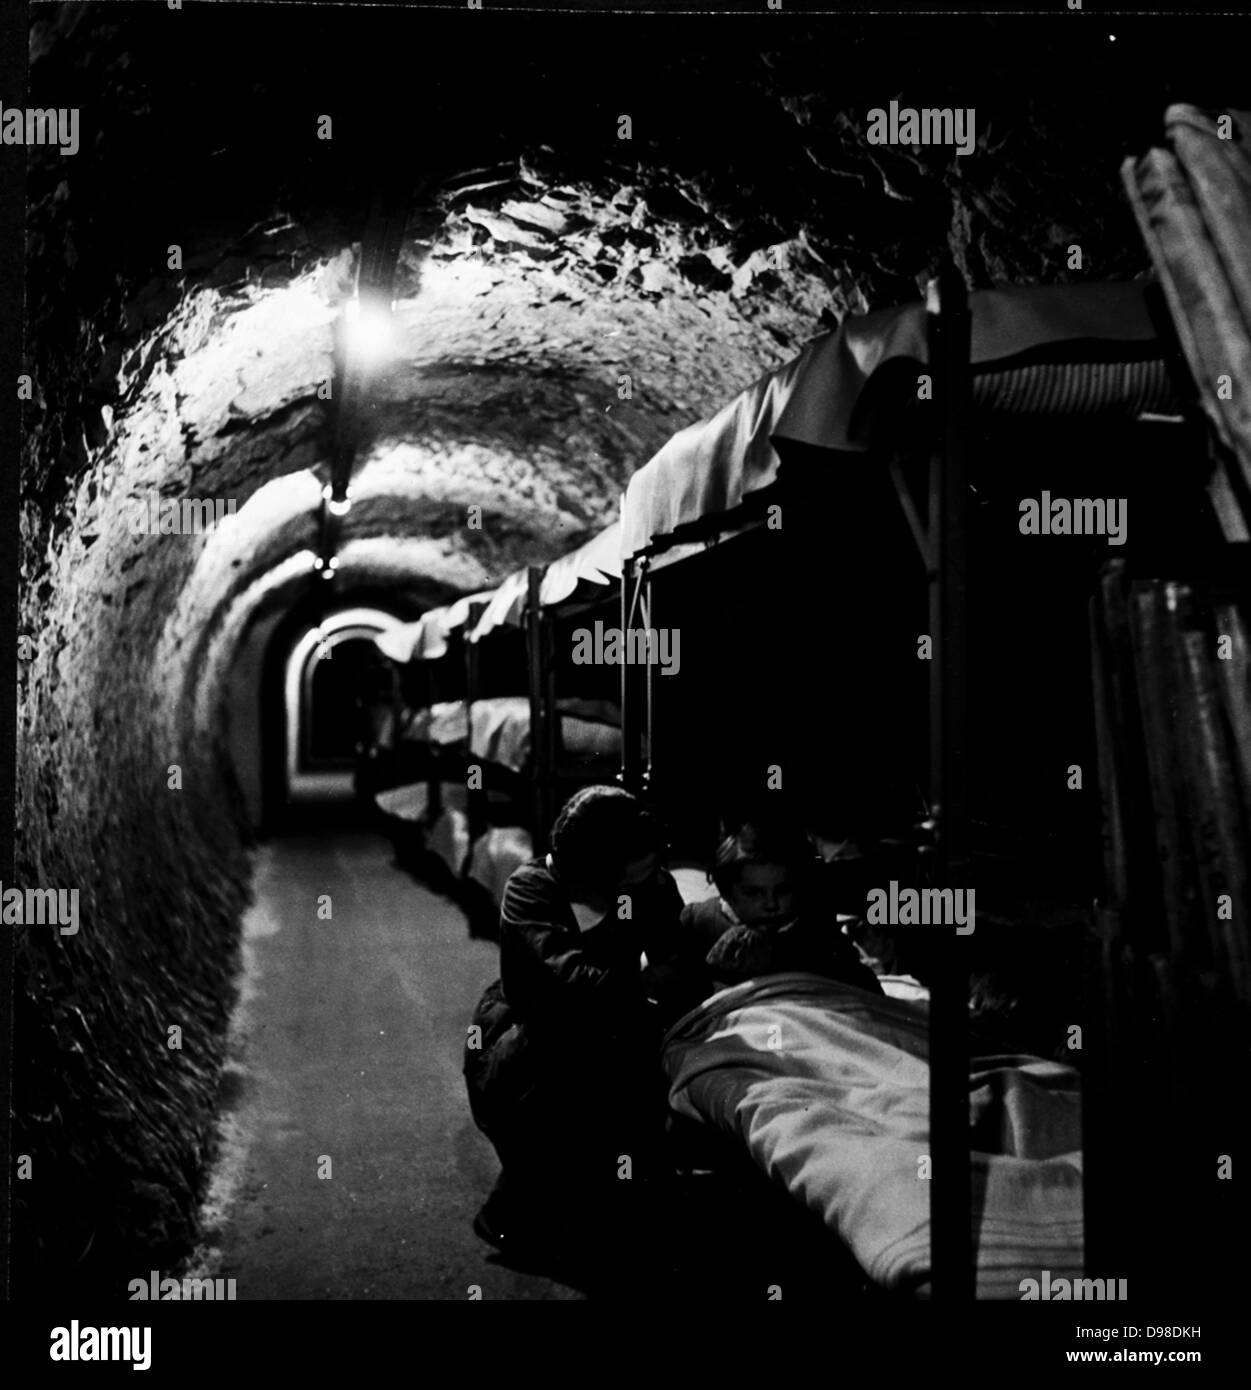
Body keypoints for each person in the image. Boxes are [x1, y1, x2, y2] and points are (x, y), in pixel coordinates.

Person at [463, 785, 684, 1263]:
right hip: (531, 1032)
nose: (647, 877)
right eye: (634, 870)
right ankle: (516, 1209)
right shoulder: (533, 888)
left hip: (615, 1019)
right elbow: (566, 979)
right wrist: (646, 981)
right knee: (569, 1059)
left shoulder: (648, 884)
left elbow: (675, 955)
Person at [676, 821, 884, 999]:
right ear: (727, 892)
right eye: (754, 893)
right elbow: (679, 994)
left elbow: (858, 985)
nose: (771, 904)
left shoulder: (811, 926)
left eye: (783, 890)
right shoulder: (700, 922)